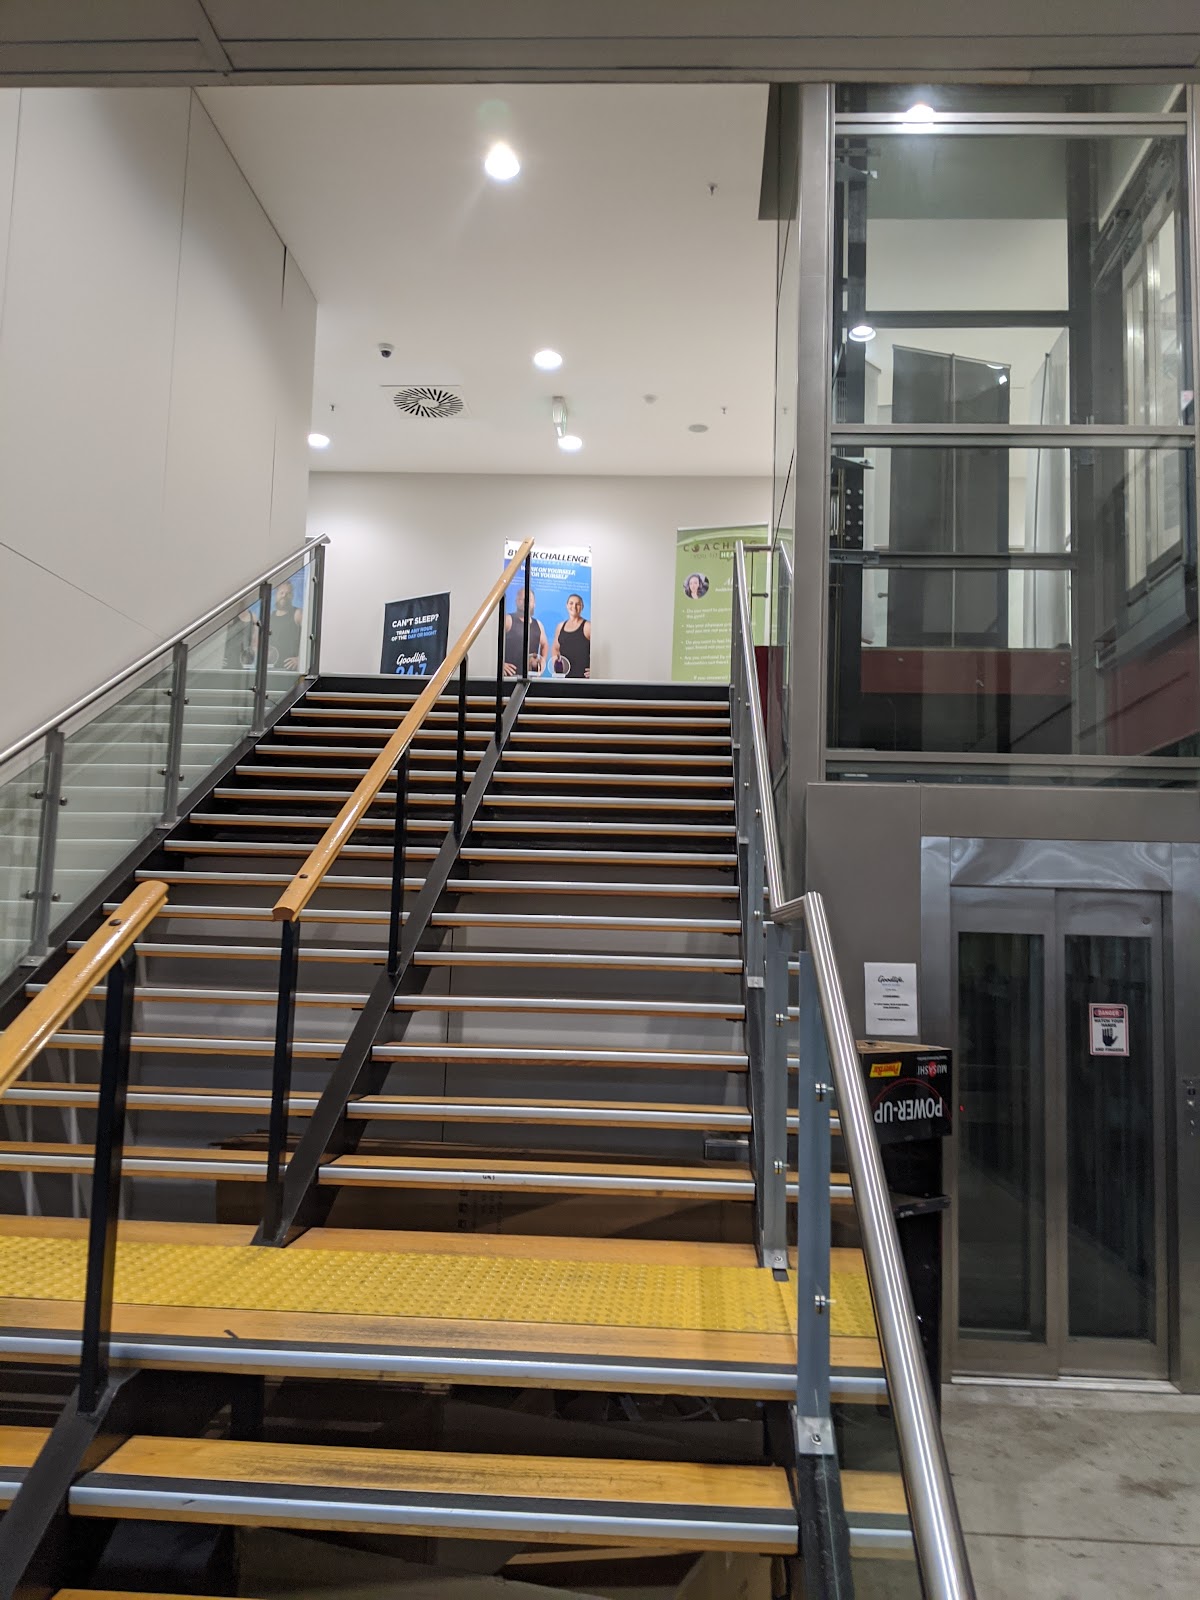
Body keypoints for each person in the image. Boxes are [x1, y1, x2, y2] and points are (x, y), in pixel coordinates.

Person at [503, 586, 547, 676]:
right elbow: (492, 644)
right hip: (510, 677)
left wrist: (543, 661)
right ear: (516, 602)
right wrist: (500, 664)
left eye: (529, 599)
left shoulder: (538, 624)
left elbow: (545, 644)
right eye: (521, 599)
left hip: (531, 677)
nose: (525, 601)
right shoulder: (507, 620)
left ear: (534, 603)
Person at [551, 592, 591, 678]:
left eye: (578, 604)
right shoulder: (560, 626)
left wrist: (595, 669)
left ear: (582, 607)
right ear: (566, 605)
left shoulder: (588, 626)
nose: (574, 606)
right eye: (571, 603)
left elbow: (600, 652)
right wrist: (556, 667)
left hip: (583, 679)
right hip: (564, 679)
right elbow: (555, 648)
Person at [268, 578, 304, 670]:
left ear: (292, 596)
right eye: (281, 593)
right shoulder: (270, 616)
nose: (284, 596)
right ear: (276, 595)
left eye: (288, 593)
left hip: (291, 671)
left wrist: (301, 659)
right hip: (272, 669)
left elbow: (311, 639)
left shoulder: (298, 614)